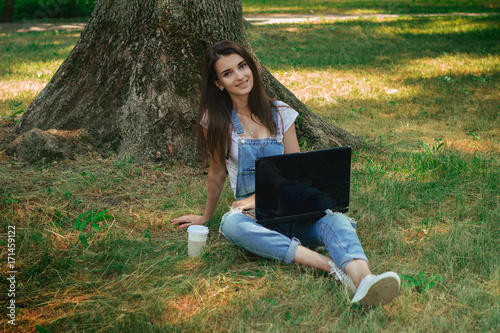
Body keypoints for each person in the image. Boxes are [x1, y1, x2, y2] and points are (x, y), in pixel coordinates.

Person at [171, 40, 400, 306]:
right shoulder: (217, 120)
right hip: (255, 220)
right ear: (219, 83)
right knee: (230, 224)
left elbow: (295, 173)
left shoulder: (280, 113)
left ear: (251, 67)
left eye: (242, 66)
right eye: (228, 73)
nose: (240, 76)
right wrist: (205, 216)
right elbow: (217, 172)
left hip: (295, 211)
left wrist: (257, 197)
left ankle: (365, 280)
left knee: (335, 221)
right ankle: (332, 267)